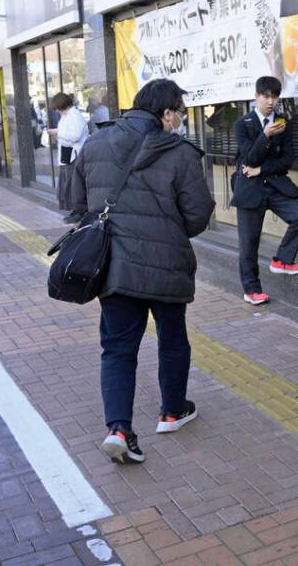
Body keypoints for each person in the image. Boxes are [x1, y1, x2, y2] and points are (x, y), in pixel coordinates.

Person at [69, 78, 213, 464]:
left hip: (114, 265)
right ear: (166, 113)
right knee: (172, 337)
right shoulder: (180, 152)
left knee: (117, 348)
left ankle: (119, 429)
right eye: (179, 113)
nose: (180, 120)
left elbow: (74, 201)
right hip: (166, 265)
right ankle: (172, 411)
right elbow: (198, 215)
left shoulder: (95, 142)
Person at [231, 75, 298, 305]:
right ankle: (251, 290)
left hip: (274, 185)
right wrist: (264, 136)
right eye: (266, 96)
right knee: (249, 243)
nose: (270, 101)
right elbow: (248, 157)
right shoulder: (242, 124)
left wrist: (261, 170)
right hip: (249, 190)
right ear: (256, 96)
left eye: (275, 96)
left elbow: (288, 160)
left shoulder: (284, 123)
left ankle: (282, 260)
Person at [48, 92, 88, 224]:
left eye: (57, 108)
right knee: (68, 183)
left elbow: (75, 135)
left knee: (74, 184)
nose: (57, 111)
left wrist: (57, 133)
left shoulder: (74, 116)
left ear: (62, 106)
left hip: (74, 154)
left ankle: (79, 211)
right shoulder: (67, 115)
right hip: (68, 153)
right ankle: (75, 209)